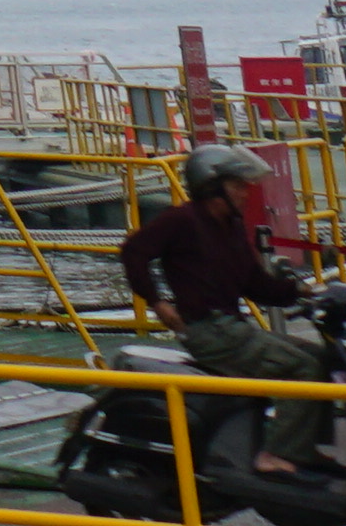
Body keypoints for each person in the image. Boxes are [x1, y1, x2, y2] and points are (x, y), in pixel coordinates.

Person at [119, 143, 323, 470]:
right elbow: (134, 252)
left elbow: (254, 284)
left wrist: (302, 292)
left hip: (231, 327)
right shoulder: (182, 220)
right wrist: (157, 301)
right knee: (302, 369)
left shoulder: (231, 226)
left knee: (321, 358)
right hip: (209, 330)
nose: (245, 193)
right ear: (212, 187)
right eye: (237, 186)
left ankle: (305, 447)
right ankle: (278, 454)